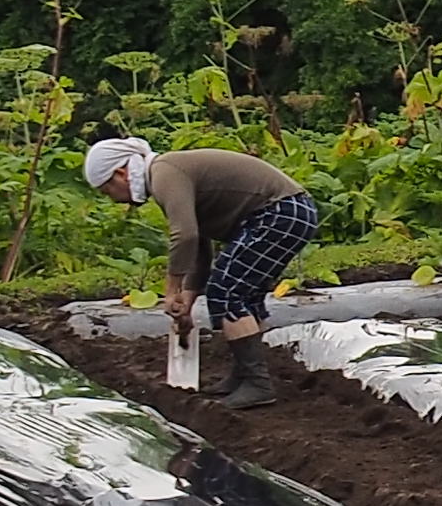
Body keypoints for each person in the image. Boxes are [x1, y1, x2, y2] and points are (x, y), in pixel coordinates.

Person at [85, 138, 320, 411]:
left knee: (227, 292)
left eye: (107, 190)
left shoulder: (164, 173)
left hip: (279, 213)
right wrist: (187, 300)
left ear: (121, 173)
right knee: (243, 293)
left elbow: (184, 236)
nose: (112, 199)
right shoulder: (167, 173)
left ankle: (258, 383)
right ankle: (244, 375)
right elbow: (199, 246)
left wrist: (170, 290)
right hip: (291, 212)